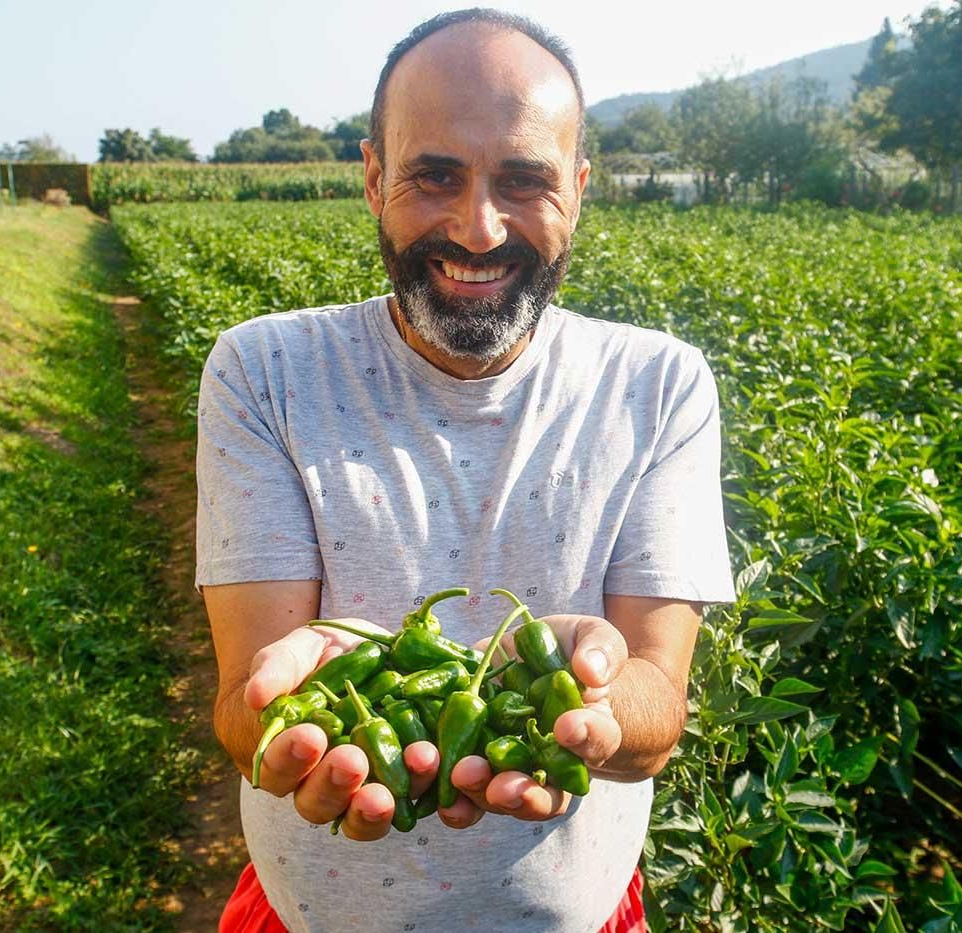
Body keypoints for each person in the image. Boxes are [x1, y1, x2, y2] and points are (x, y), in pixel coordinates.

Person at [195, 9, 734, 932]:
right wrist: (289, 714)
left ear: (578, 190)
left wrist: (597, 703)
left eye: (524, 181)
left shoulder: (658, 385)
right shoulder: (265, 372)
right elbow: (247, 697)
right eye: (434, 175)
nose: (479, 229)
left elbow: (658, 697)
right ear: (372, 177)